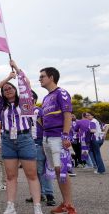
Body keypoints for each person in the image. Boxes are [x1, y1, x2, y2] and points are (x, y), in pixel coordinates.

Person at [0, 60, 42, 214]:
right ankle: (10, 206)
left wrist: (17, 68)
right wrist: (8, 78)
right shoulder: (1, 105)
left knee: (31, 174)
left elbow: (26, 83)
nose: (7, 90)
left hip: (25, 138)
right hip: (7, 140)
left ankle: (37, 206)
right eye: (5, 89)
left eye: (10, 88)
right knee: (11, 175)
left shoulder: (25, 102)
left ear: (16, 90)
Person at [39, 66, 77, 214]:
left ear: (51, 77)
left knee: (61, 169)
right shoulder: (46, 98)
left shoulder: (62, 93)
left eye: (42, 76)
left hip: (58, 137)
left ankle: (69, 205)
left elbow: (68, 114)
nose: (40, 79)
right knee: (56, 170)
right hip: (47, 138)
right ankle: (65, 202)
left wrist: (66, 135)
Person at [25, 91, 56, 206]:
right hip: (29, 143)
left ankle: (49, 195)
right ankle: (39, 194)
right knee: (34, 171)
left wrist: (45, 143)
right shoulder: (26, 111)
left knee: (41, 170)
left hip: (38, 142)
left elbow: (46, 127)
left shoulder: (38, 111)